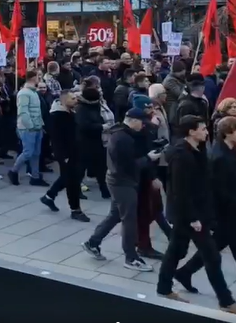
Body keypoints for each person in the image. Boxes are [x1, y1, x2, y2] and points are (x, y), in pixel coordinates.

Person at [156, 115, 236, 317]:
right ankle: (226, 301)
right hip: (189, 215)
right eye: (202, 128)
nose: (207, 131)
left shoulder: (197, 150)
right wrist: (194, 218)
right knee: (211, 256)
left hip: (193, 213)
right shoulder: (182, 155)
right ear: (191, 132)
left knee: (176, 251)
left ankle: (164, 287)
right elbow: (180, 191)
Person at [82, 108, 161, 272]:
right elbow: (126, 166)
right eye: (142, 123)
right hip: (123, 183)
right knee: (129, 219)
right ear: (133, 120)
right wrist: (149, 158)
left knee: (116, 214)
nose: (143, 127)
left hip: (118, 181)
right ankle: (131, 257)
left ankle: (93, 242)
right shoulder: (122, 139)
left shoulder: (121, 134)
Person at [40, 90, 90, 221]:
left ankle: (49, 196)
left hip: (76, 151)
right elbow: (57, 139)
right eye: (72, 98)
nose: (76, 100)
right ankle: (75, 210)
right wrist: (63, 156)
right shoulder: (57, 116)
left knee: (68, 177)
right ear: (63, 100)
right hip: (67, 155)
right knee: (72, 182)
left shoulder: (71, 113)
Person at [9, 70, 45, 186]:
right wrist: (30, 126)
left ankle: (35, 176)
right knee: (28, 152)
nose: (40, 78)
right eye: (38, 76)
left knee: (36, 153)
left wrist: (40, 125)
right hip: (27, 128)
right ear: (33, 78)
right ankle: (13, 171)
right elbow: (23, 112)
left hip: (37, 127)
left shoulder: (33, 92)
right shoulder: (24, 93)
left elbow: (37, 111)